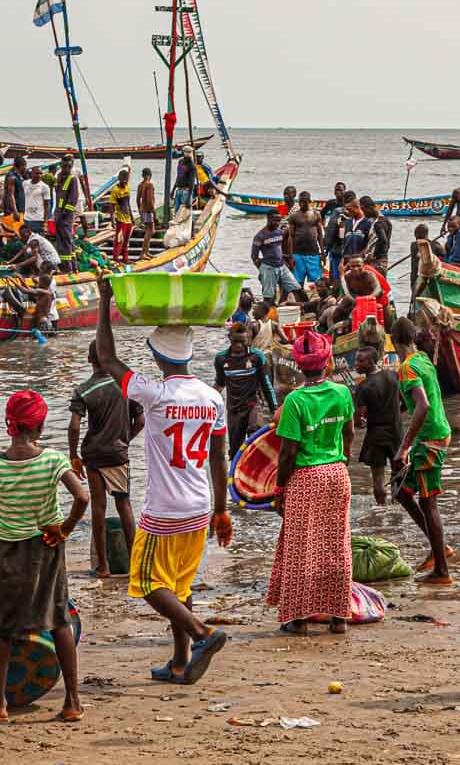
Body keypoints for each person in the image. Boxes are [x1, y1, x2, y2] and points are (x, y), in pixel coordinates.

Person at [94, 276, 232, 685]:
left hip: (165, 510)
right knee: (179, 585)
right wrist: (222, 509)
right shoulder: (212, 397)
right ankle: (179, 661)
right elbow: (219, 457)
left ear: (156, 356)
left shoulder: (154, 393)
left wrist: (104, 302)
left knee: (147, 583)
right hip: (200, 505)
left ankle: (202, 634)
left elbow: (106, 357)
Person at [0, 390, 88, 722]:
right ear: (40, 426)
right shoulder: (53, 460)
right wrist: (64, 528)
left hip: (11, 550)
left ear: (9, 424)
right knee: (59, 618)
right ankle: (72, 702)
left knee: (3, 625)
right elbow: (82, 498)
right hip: (48, 545)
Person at [267, 330, 355, 634]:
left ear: (299, 365)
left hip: (306, 478)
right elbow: (349, 434)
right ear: (327, 362)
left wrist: (279, 489)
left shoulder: (295, 401)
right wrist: (341, 462)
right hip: (337, 473)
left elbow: (287, 453)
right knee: (336, 544)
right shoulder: (342, 393)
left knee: (300, 547)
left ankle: (299, 619)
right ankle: (339, 617)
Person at [69, 341, 145, 579]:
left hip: (93, 455)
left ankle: (103, 566)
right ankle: (135, 564)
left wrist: (73, 455)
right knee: (124, 505)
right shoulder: (125, 386)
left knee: (99, 508)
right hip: (118, 454)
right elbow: (141, 421)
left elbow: (74, 426)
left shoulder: (83, 390)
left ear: (89, 360)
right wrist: (125, 440)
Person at [390, 317, 454, 584]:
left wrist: (404, 447)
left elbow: (423, 405)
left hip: (430, 439)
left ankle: (442, 570)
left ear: (393, 341)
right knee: (402, 493)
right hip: (436, 433)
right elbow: (418, 398)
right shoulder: (423, 359)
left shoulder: (407, 368)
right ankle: (440, 548)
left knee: (428, 503)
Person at [214, 322, 278, 457]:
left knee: (255, 436)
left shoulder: (256, 356)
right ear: (229, 338)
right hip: (234, 409)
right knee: (235, 450)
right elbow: (220, 384)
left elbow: (266, 384)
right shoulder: (221, 359)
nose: (239, 346)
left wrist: (275, 409)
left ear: (248, 339)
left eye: (242, 342)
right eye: (235, 342)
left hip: (252, 404)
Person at [354, 345, 402, 505]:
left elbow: (359, 418)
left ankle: (381, 509)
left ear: (370, 362)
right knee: (398, 475)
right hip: (396, 434)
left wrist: (360, 419)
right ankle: (397, 508)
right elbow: (405, 402)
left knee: (378, 480)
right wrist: (395, 413)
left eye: (360, 361)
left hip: (376, 436)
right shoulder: (393, 376)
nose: (356, 364)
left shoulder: (363, 387)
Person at [252, 211, 304, 305]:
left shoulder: (280, 232)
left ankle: (306, 307)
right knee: (269, 297)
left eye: (279, 220)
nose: (277, 223)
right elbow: (254, 257)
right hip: (269, 268)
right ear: (268, 219)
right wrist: (262, 270)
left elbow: (281, 247)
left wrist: (289, 258)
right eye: (275, 220)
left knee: (298, 289)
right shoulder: (260, 236)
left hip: (282, 266)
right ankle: (268, 312)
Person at [287, 190, 324, 287]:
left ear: (309, 201)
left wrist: (322, 253)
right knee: (298, 283)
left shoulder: (316, 214)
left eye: (304, 202)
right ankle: (300, 297)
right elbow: (291, 236)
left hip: (313, 253)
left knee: (319, 282)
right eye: (300, 201)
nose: (302, 204)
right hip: (298, 253)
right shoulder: (294, 216)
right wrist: (291, 256)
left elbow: (320, 234)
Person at [54, 156, 81, 273]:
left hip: (65, 217)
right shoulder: (60, 178)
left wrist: (64, 214)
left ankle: (69, 268)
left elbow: (72, 200)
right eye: (64, 166)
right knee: (63, 241)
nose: (66, 169)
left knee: (66, 241)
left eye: (69, 167)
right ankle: (72, 267)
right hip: (59, 215)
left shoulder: (72, 179)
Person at [408, 224, 445, 302]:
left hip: (419, 277)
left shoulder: (414, 245)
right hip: (422, 277)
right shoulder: (435, 245)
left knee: (415, 298)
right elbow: (444, 255)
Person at [362, 196, 392, 275]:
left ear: (370, 208)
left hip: (377, 262)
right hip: (383, 260)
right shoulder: (386, 221)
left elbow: (383, 241)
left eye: (363, 209)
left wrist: (374, 255)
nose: (363, 213)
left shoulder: (378, 223)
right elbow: (386, 243)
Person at [109, 169, 134, 263]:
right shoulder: (115, 190)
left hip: (128, 219)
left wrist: (132, 216)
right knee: (119, 240)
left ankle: (125, 258)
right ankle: (116, 258)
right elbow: (112, 206)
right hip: (120, 220)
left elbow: (128, 204)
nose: (125, 181)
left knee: (126, 240)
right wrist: (112, 220)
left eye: (126, 179)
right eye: (123, 179)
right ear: (119, 179)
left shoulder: (127, 188)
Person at [339, 195, 372, 263]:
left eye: (349, 209)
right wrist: (341, 227)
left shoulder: (369, 223)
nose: (347, 212)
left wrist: (361, 256)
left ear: (357, 207)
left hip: (360, 263)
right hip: (347, 262)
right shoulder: (348, 222)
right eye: (346, 209)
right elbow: (342, 240)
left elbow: (370, 244)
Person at [23, 165, 53, 236]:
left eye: (40, 173)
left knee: (38, 240)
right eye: (37, 173)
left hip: (39, 220)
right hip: (27, 219)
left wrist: (45, 222)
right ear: (32, 173)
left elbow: (47, 205)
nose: (39, 175)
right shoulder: (25, 183)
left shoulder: (45, 187)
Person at [136, 167, 156, 260]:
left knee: (149, 230)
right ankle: (143, 253)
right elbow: (150, 202)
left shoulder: (140, 185)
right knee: (149, 231)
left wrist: (140, 211)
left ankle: (147, 252)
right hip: (148, 211)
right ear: (149, 175)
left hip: (143, 210)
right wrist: (154, 214)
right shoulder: (149, 185)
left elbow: (137, 200)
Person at [2, 156, 28, 224]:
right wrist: (15, 211)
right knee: (13, 228)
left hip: (20, 209)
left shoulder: (19, 176)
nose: (26, 168)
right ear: (21, 166)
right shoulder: (12, 177)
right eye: (25, 166)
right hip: (13, 210)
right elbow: (11, 195)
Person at [173, 146, 197, 215]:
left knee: (186, 213)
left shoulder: (192, 166)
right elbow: (178, 176)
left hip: (186, 192)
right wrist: (173, 190)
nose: (187, 156)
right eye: (186, 153)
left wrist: (189, 197)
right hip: (179, 190)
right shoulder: (180, 162)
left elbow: (191, 183)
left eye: (189, 154)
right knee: (176, 212)